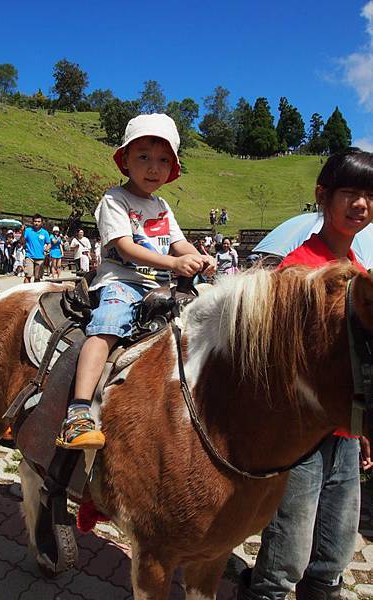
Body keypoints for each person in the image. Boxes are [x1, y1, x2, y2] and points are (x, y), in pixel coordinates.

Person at [238, 148, 373, 600]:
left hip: (346, 438)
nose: (362, 205)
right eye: (350, 193)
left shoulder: (360, 273)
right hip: (300, 439)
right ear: (323, 195)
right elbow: (274, 363)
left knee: (333, 557)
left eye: (370, 196)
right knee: (285, 559)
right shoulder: (297, 269)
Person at [57, 113, 215, 450]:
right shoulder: (115, 200)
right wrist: (174, 262)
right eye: (143, 157)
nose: (153, 168)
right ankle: (79, 411)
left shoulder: (162, 205)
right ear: (125, 160)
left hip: (161, 285)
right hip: (122, 280)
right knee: (108, 326)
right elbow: (126, 249)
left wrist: (199, 256)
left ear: (171, 169)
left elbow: (180, 242)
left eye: (162, 160)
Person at [23, 214, 50, 283]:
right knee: (28, 276)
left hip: (40, 257)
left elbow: (49, 243)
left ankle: (35, 293)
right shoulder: (28, 230)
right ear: (33, 222)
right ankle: (26, 291)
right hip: (29, 256)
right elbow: (22, 241)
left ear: (41, 223)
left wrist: (47, 248)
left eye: (38, 221)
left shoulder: (45, 232)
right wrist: (22, 233)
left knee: (37, 277)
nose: (36, 223)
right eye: (35, 221)